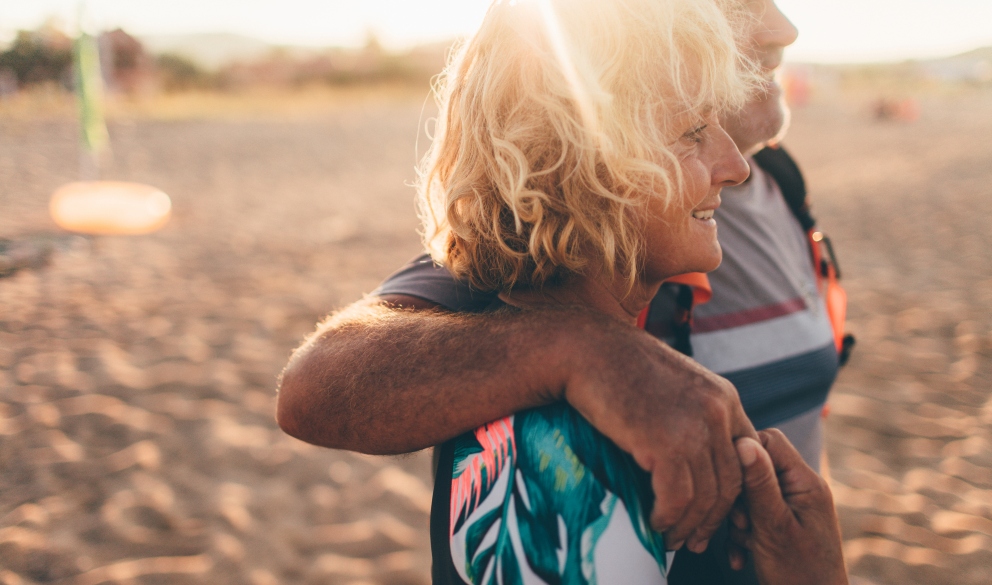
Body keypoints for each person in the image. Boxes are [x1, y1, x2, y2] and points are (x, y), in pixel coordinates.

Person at [277, 0, 846, 581]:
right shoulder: (552, 432)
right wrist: (582, 351)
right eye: (693, 131)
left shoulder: (780, 191)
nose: (783, 27)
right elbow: (315, 382)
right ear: (592, 162)